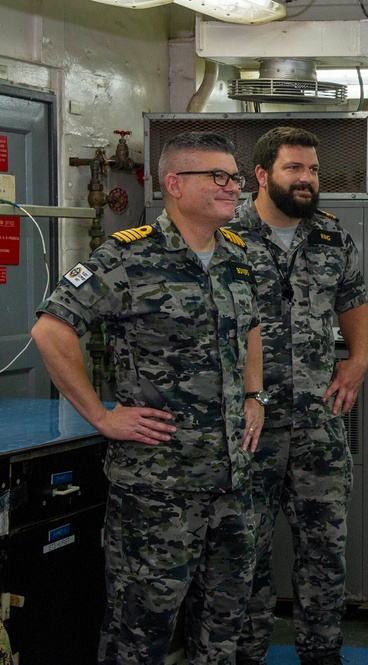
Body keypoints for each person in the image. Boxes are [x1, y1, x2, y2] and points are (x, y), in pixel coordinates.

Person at [31, 131, 263, 665]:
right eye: (218, 177)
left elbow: (252, 327)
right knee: (141, 631)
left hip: (232, 482)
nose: (233, 187)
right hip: (159, 489)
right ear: (174, 185)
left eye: (235, 176)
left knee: (224, 626)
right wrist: (101, 416)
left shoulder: (238, 254)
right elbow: (51, 330)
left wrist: (255, 395)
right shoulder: (126, 256)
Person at [229, 126, 368, 665]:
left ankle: (321, 653)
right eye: (295, 168)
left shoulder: (332, 237)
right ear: (263, 175)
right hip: (250, 426)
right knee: (245, 552)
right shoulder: (226, 234)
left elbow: (353, 302)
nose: (307, 179)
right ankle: (247, 655)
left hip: (318, 422)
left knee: (324, 551)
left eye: (312, 169)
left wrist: (356, 362)